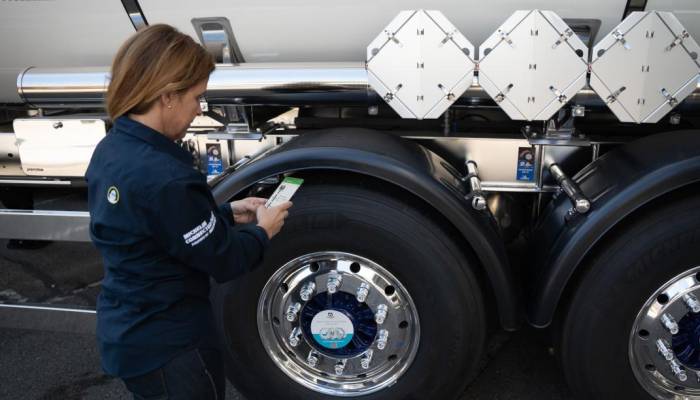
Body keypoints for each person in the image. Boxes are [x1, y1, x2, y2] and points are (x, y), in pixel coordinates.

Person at [86, 24, 292, 399]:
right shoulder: (166, 176)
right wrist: (263, 231)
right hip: (172, 347)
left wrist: (227, 213)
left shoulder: (111, 150)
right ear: (167, 96)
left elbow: (154, 224)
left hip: (127, 332)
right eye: (197, 97)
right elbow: (226, 259)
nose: (200, 109)